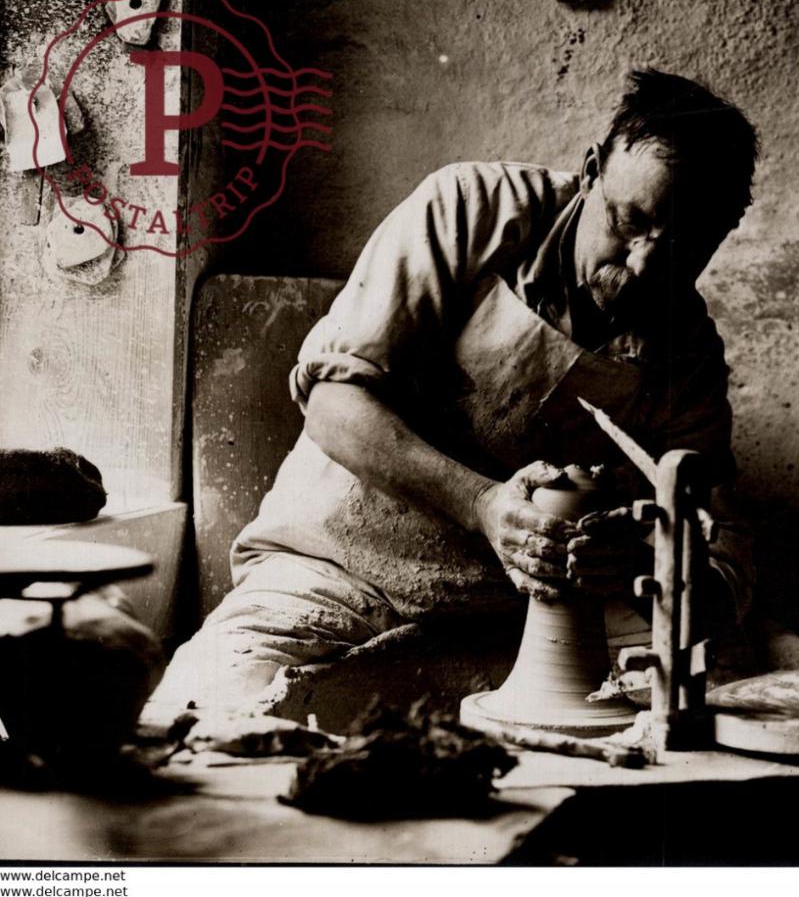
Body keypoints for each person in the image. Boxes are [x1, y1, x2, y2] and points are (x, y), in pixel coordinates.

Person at [152, 68, 762, 711]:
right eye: (625, 221)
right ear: (589, 173)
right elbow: (332, 403)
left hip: (526, 607)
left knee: (764, 687)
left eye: (683, 246)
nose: (642, 265)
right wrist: (481, 503)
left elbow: (722, 539)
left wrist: (646, 561)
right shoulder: (472, 209)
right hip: (338, 568)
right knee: (207, 704)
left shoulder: (688, 352)